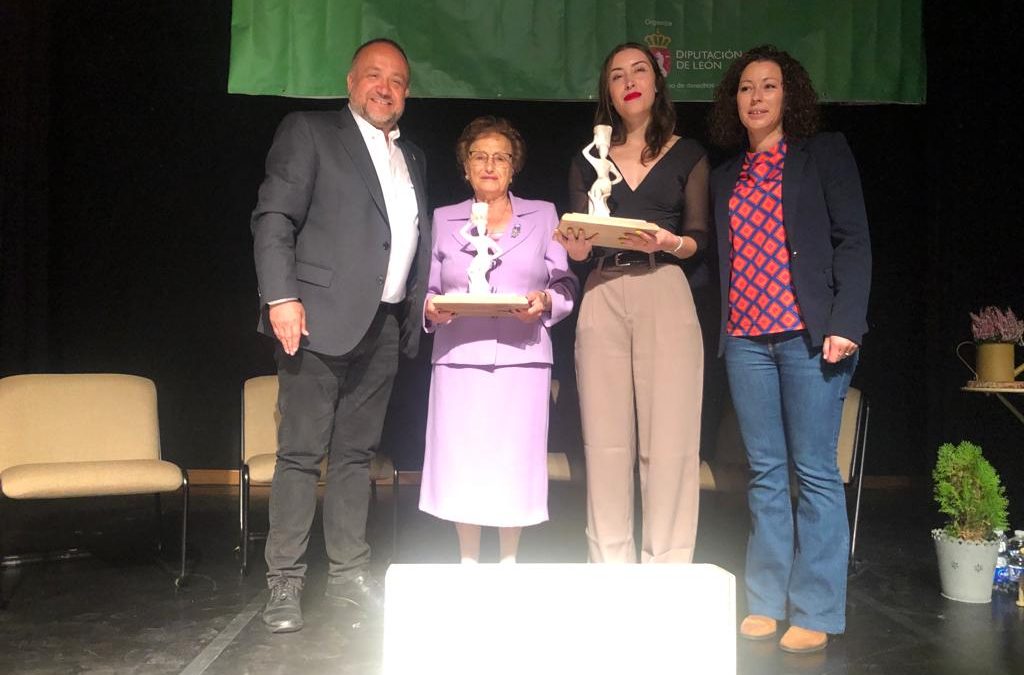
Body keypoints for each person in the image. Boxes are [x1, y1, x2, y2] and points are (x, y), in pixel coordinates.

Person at [250, 38, 430, 633]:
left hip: (382, 325)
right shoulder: (309, 131)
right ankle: (284, 583)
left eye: (398, 80)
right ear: (351, 82)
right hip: (314, 318)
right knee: (301, 456)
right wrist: (281, 296)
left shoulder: (415, 158)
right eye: (375, 76)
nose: (386, 87)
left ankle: (350, 575)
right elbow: (274, 215)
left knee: (355, 458)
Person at [707, 44, 871, 653]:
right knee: (767, 474)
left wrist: (846, 320)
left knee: (815, 473)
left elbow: (853, 240)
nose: (755, 97)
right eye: (746, 88)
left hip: (811, 337)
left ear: (789, 95)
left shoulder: (822, 154)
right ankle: (767, 600)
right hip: (747, 338)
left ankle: (818, 609)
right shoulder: (727, 175)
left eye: (768, 86)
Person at [556, 43, 708, 564]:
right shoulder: (587, 159)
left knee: (670, 443)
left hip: (664, 286)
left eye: (639, 70)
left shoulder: (688, 153)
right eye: (617, 75)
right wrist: (575, 247)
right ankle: (610, 568)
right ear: (608, 92)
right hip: (602, 290)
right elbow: (581, 239)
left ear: (658, 82)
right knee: (605, 442)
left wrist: (668, 242)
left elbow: (697, 238)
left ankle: (667, 566)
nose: (629, 81)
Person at [420, 116, 577, 563]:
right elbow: (428, 290)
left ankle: (509, 560)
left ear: (514, 168)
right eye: (479, 156)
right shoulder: (443, 218)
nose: (490, 165)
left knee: (513, 461)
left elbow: (566, 284)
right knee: (462, 461)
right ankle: (468, 559)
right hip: (458, 357)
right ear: (465, 167)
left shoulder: (544, 214)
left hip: (521, 357)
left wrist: (545, 301)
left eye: (500, 157)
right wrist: (431, 309)